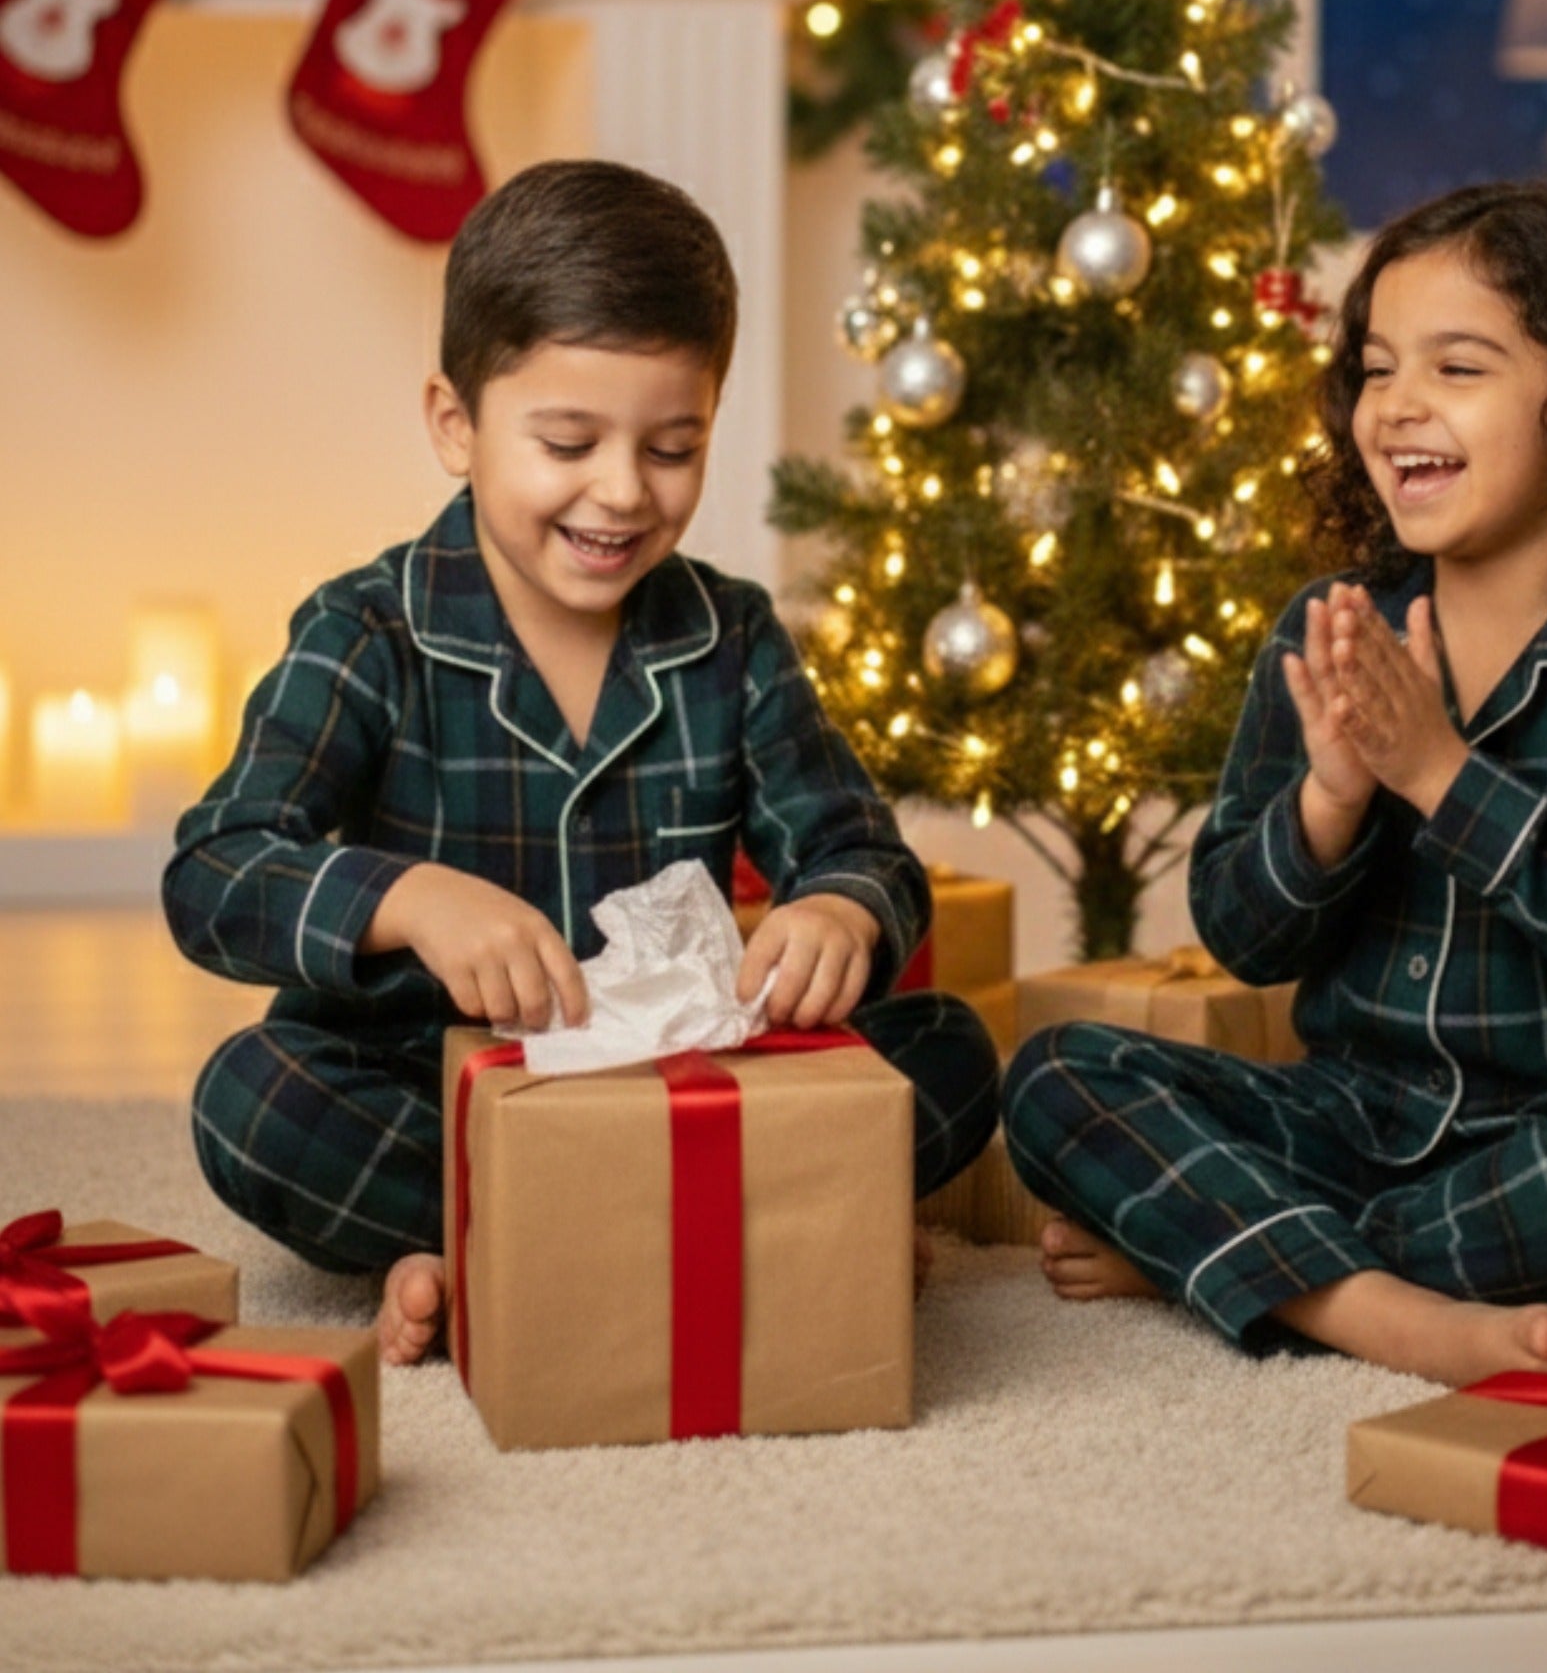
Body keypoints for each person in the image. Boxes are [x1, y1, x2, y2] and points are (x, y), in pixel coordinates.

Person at [167, 160, 1000, 1363]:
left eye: (673, 447)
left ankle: (509, 1254)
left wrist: (837, 908)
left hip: (685, 1078)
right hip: (428, 1086)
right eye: (568, 441)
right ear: (455, 424)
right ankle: (740, 1234)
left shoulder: (732, 635)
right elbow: (215, 869)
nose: (621, 491)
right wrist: (405, 898)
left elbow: (858, 846)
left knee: (955, 1051)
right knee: (253, 1105)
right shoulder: (366, 628)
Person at [1002, 180, 1547, 1387]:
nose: (1397, 406)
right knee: (1057, 1071)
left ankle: (1247, 1261)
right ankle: (1381, 1305)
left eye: (1457, 368)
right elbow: (1241, 934)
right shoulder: (1331, 627)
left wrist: (1436, 771)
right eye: (1376, 368)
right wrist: (1330, 798)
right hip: (1359, 1126)